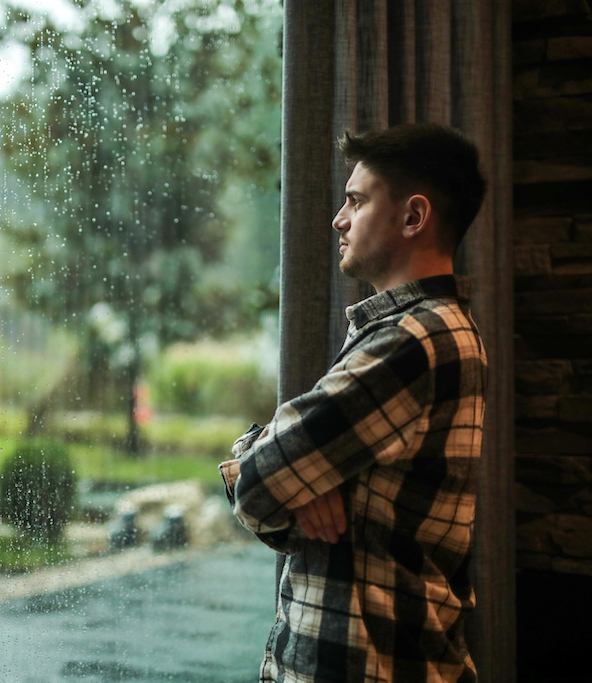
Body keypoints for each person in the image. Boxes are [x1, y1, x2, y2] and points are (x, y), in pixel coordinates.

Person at [219, 122, 488, 683]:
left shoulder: (413, 341)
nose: (338, 219)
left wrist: (263, 462)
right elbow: (281, 477)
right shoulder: (426, 331)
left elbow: (259, 486)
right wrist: (299, 476)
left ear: (414, 218)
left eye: (356, 201)